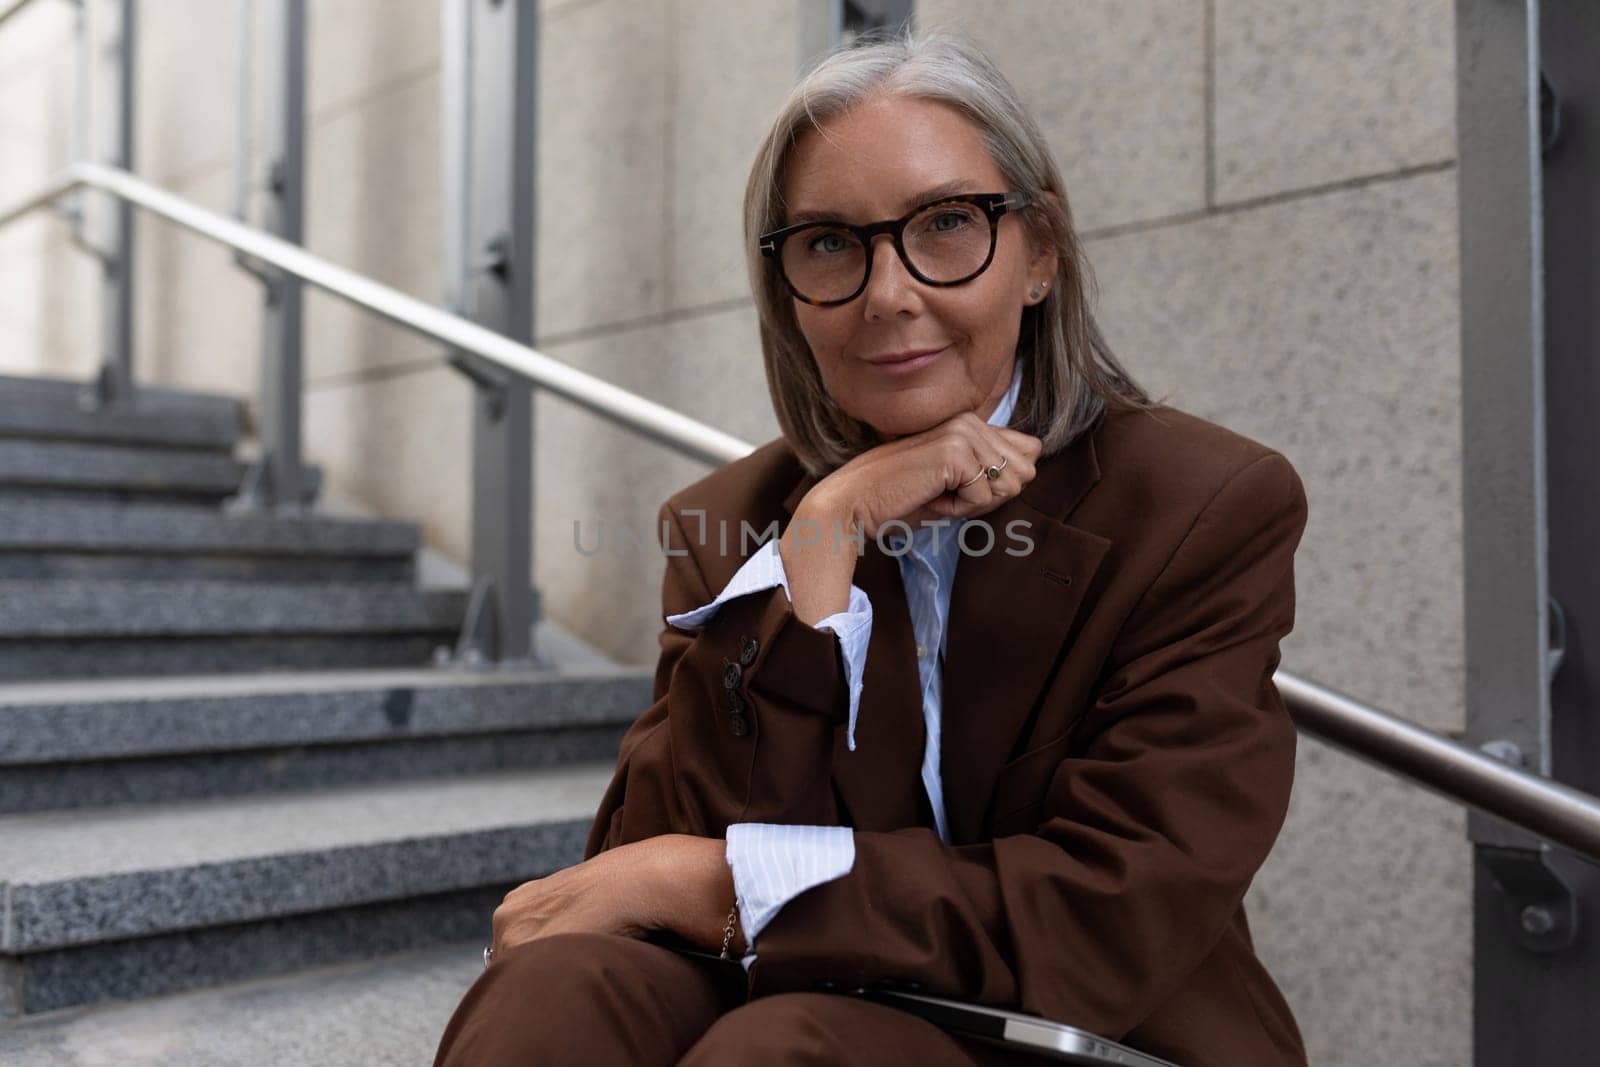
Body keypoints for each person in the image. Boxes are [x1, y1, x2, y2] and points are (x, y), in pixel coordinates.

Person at [434, 26, 1308, 1067]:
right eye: (831, 243)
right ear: (787, 292)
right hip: (806, 993)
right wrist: (819, 546)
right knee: (558, 986)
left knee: (782, 1048)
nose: (888, 292)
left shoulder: (1202, 505)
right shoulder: (730, 518)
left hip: (1088, 1026)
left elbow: (1106, 907)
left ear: (1039, 254)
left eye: (945, 224)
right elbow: (624, 870)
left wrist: (705, 882)